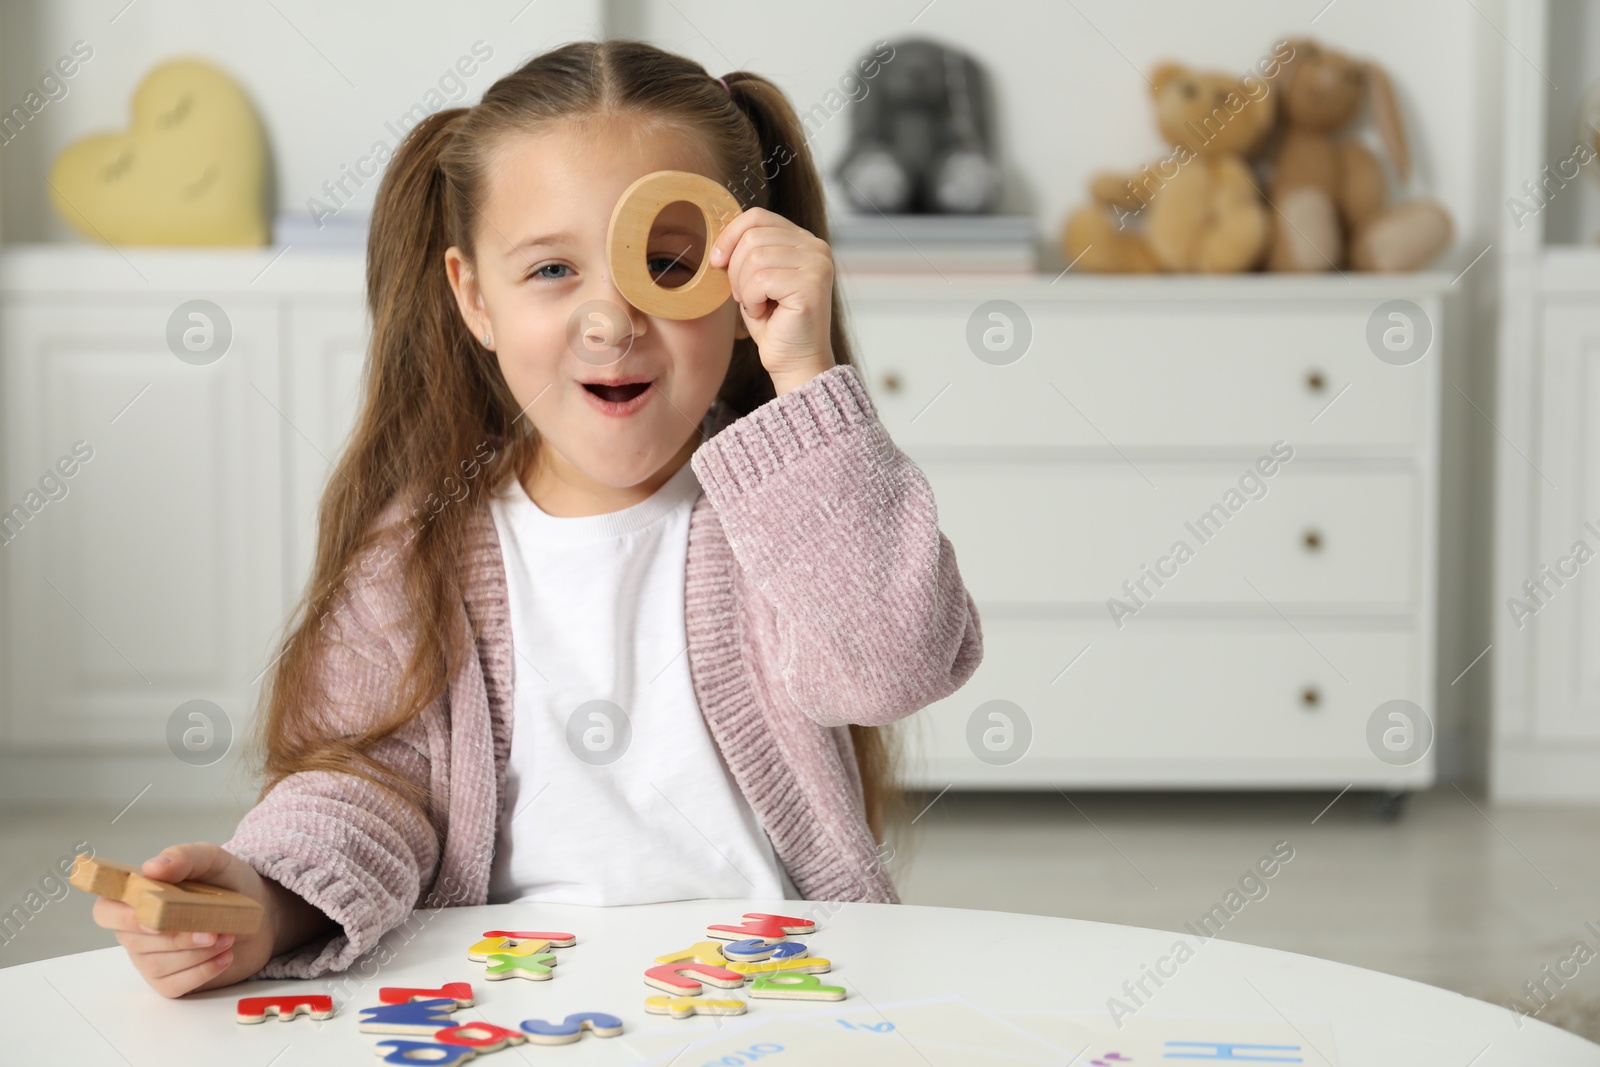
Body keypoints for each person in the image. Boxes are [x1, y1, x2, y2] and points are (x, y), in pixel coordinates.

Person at [91, 38, 982, 998]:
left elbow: (894, 662)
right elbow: (368, 783)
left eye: (665, 264)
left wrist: (802, 379)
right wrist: (267, 899)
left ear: (736, 286)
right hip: (514, 1000)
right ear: (474, 297)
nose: (610, 320)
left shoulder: (786, 506)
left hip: (781, 988)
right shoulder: (418, 550)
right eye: (552, 270)